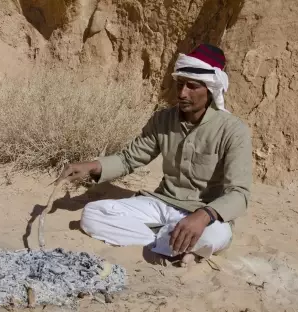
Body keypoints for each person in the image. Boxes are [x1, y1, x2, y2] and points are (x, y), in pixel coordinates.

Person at [59, 43, 252, 266]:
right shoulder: (163, 120)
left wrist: (202, 216)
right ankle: (169, 242)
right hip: (161, 203)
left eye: (191, 86)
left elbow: (239, 193)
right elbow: (129, 158)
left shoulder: (233, 130)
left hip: (203, 214)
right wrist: (92, 166)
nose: (182, 93)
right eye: (180, 85)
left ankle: (176, 238)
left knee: (219, 235)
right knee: (92, 214)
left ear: (210, 90)